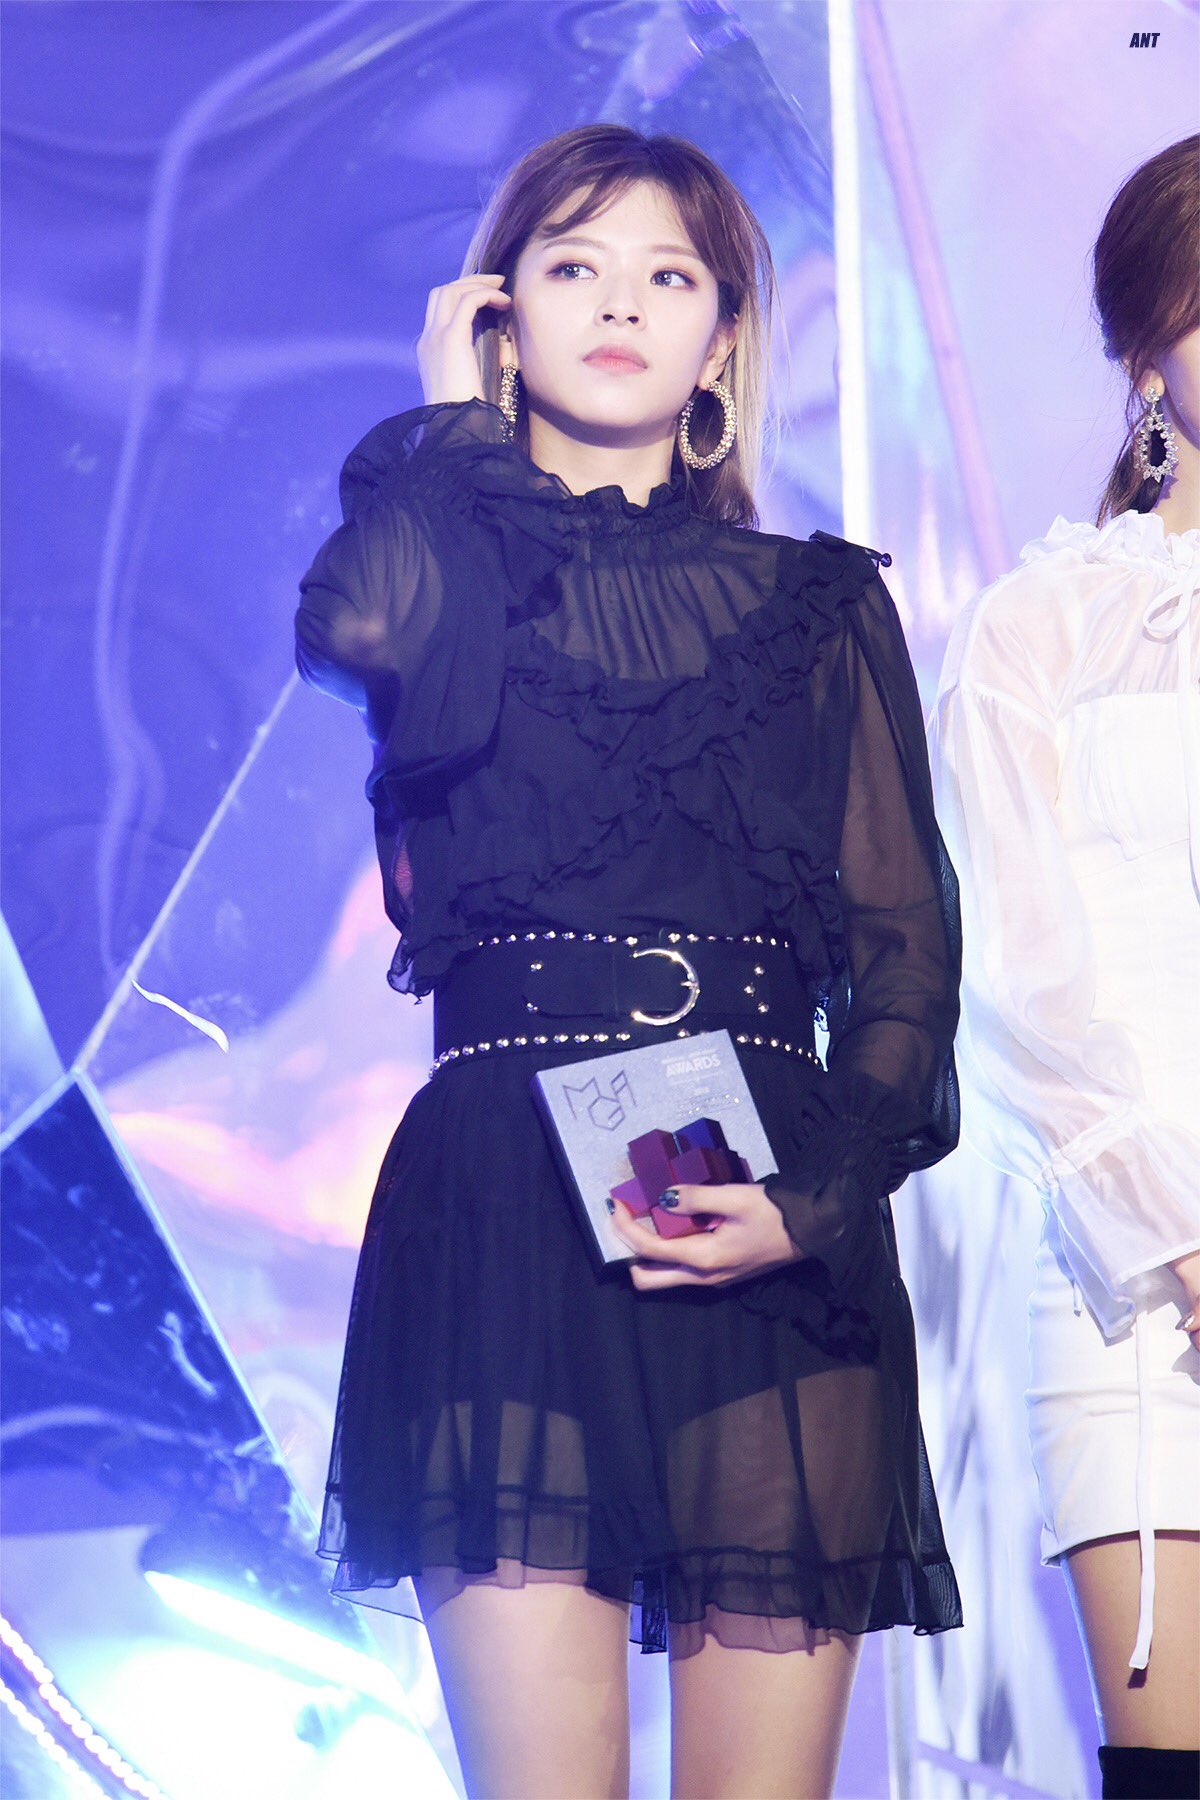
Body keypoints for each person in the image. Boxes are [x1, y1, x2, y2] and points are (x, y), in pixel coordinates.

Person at [296, 124, 962, 1800]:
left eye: (670, 276)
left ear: (723, 340)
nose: (620, 305)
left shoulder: (820, 607)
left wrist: (814, 1199)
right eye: (574, 266)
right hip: (503, 1207)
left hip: (757, 1199)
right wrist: (449, 427)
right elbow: (355, 635)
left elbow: (907, 949)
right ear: (500, 312)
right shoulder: (433, 555)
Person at [929, 135, 1200, 1800]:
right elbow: (1013, 984)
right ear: (1148, 355)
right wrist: (1182, 1235)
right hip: (1139, 1294)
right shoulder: (1043, 628)